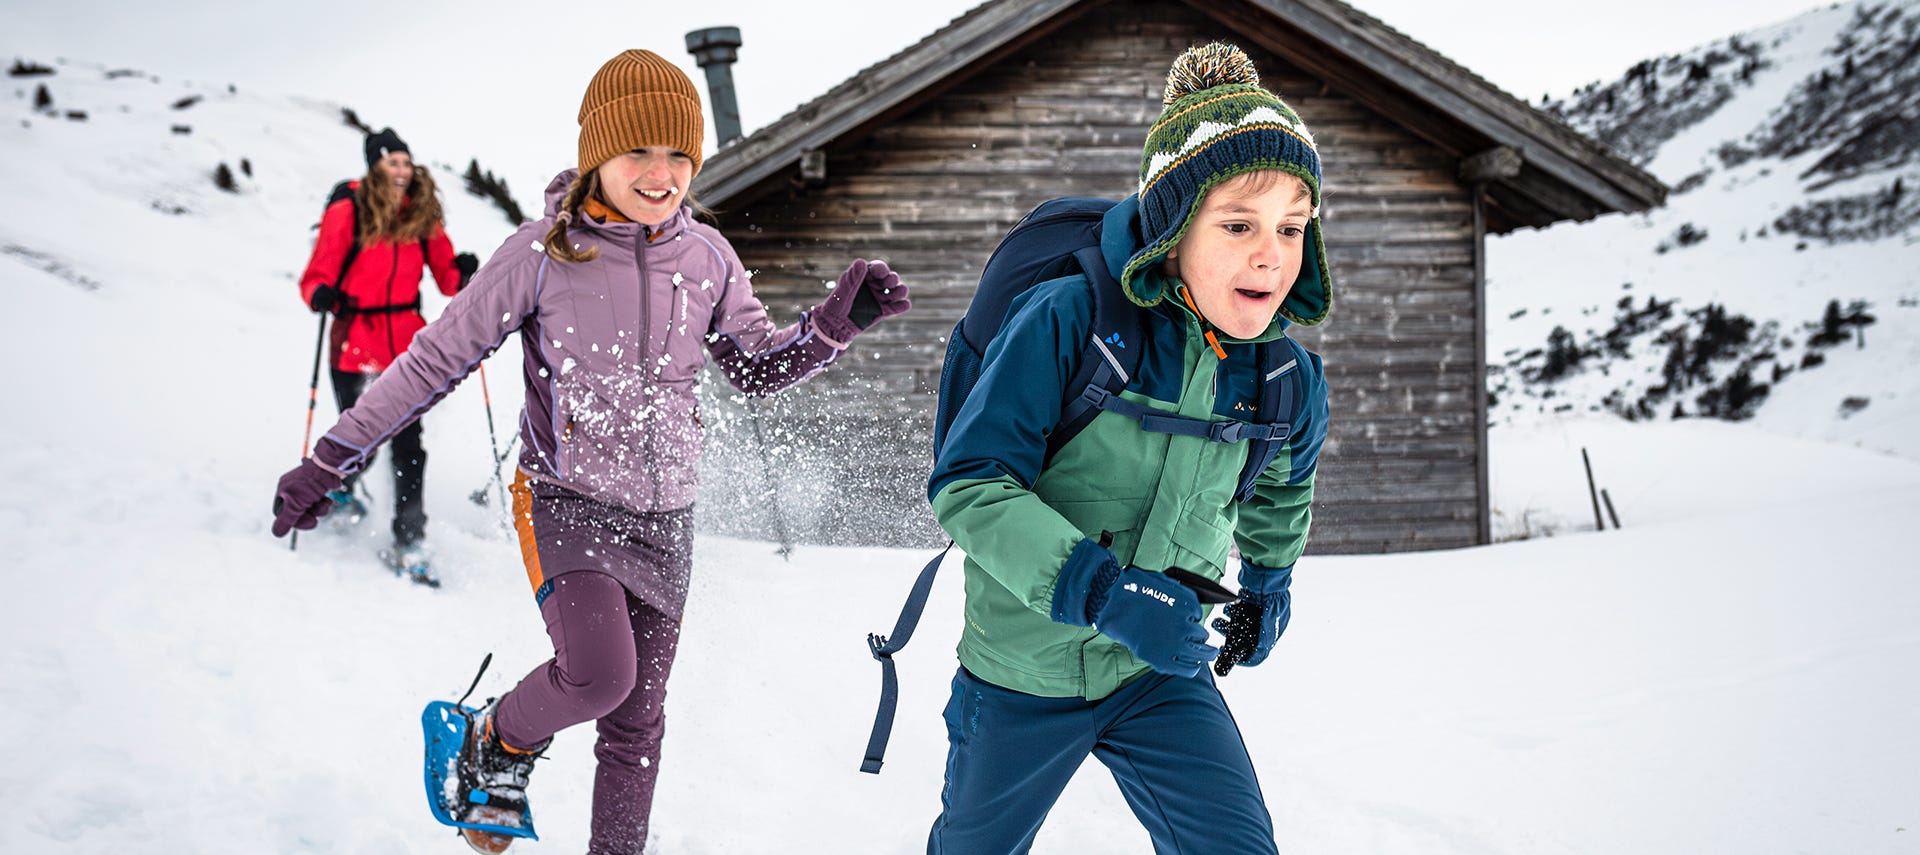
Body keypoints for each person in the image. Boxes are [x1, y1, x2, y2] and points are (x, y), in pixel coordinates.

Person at [268, 49, 910, 853]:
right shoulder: (541, 254)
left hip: (667, 519)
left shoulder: (707, 258)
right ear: (596, 154)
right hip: (566, 499)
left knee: (639, 724)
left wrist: (828, 329)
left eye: (679, 153)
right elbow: (436, 359)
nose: (661, 172)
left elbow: (752, 366)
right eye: (639, 150)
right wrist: (333, 457)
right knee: (603, 675)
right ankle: (492, 741)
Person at [922, 43, 1332, 854]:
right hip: (1022, 673)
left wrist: (1270, 584)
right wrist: (1103, 592)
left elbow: (1285, 480)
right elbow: (969, 484)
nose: (1270, 253)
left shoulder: (1284, 372)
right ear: (1174, 228)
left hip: (1157, 677)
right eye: (1240, 224)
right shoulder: (1070, 320)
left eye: (1292, 227)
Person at [296, 126, 479, 569]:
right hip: (355, 339)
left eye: (405, 162)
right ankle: (341, 487)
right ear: (375, 166)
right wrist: (320, 292)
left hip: (405, 345)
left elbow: (447, 280)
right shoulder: (349, 210)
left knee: (408, 444)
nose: (401, 169)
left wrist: (463, 270)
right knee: (361, 439)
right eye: (391, 162)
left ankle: (409, 537)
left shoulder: (421, 215)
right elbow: (318, 271)